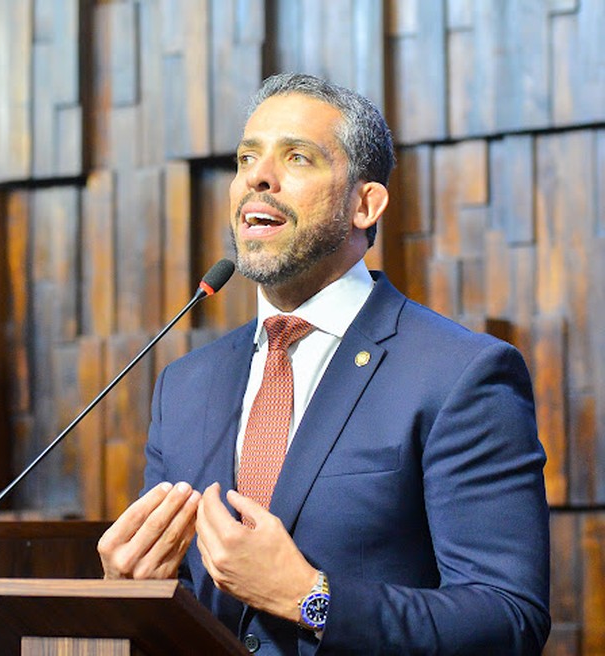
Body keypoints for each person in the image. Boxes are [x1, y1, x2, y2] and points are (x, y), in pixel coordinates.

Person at [98, 73, 550, 655]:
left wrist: (309, 597)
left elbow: (510, 620)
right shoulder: (185, 385)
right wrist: (133, 596)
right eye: (246, 157)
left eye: (298, 157)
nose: (258, 177)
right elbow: (185, 603)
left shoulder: (461, 374)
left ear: (365, 203)